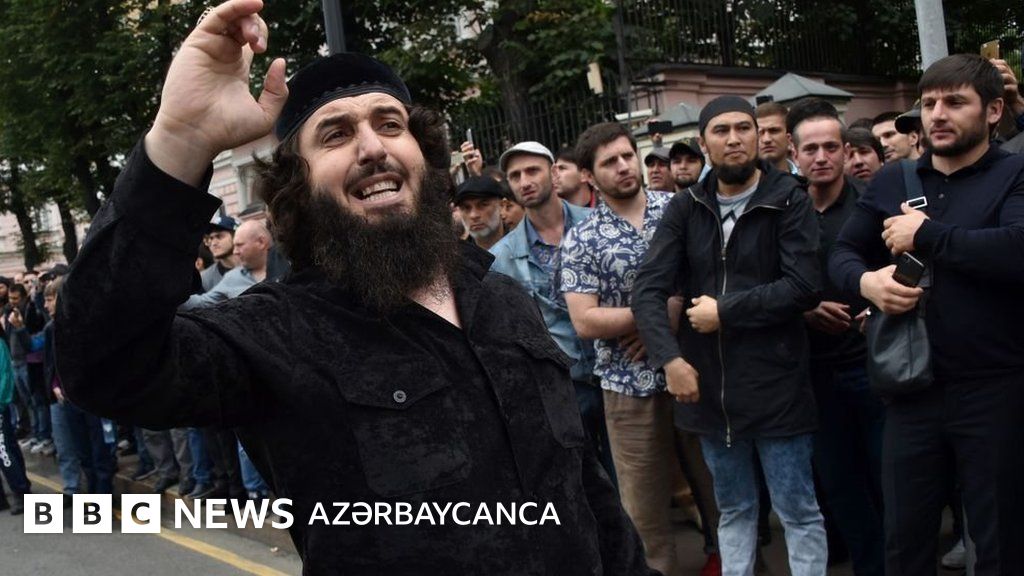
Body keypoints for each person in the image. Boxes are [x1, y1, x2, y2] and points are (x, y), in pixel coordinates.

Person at [55, 1, 652, 574]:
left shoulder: (502, 296)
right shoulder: (275, 334)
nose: (372, 148)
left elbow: (585, 490)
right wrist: (181, 140)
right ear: (298, 187)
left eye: (390, 125)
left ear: (424, 157)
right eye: (335, 136)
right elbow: (105, 366)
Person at [830, 53, 1024, 576]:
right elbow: (841, 253)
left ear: (993, 110)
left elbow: (1017, 249)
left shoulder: (1015, 172)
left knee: (1002, 544)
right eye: (930, 102)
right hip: (910, 391)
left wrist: (928, 234)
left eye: (955, 102)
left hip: (997, 390)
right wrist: (868, 284)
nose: (937, 114)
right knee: (906, 543)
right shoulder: (894, 180)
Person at [632, 95, 826, 576]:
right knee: (735, 510)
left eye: (744, 128)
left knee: (798, 511)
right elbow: (648, 289)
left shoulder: (789, 198)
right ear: (704, 143)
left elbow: (804, 286)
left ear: (758, 136)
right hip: (710, 392)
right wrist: (669, 359)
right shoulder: (686, 206)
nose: (734, 138)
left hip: (778, 387)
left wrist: (726, 311)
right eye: (721, 130)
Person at [562, 121, 721, 576]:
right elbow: (585, 320)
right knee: (644, 509)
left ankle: (732, 562)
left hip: (695, 368)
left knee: (718, 488)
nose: (623, 166)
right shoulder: (583, 238)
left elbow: (711, 275)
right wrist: (650, 316)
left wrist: (673, 306)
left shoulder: (680, 208)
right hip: (627, 387)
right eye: (609, 162)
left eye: (627, 156)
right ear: (589, 176)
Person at [788, 98, 884, 576]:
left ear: (847, 151)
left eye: (831, 147)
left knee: (890, 479)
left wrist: (877, 306)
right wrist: (805, 312)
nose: (822, 157)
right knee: (841, 486)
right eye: (811, 149)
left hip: (875, 366)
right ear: (794, 153)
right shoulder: (783, 211)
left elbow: (908, 269)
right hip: (813, 376)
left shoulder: (874, 204)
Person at [453, 176, 508, 250]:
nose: (473, 215)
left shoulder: (522, 242)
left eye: (483, 205)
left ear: (502, 206)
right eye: (466, 208)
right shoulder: (457, 254)